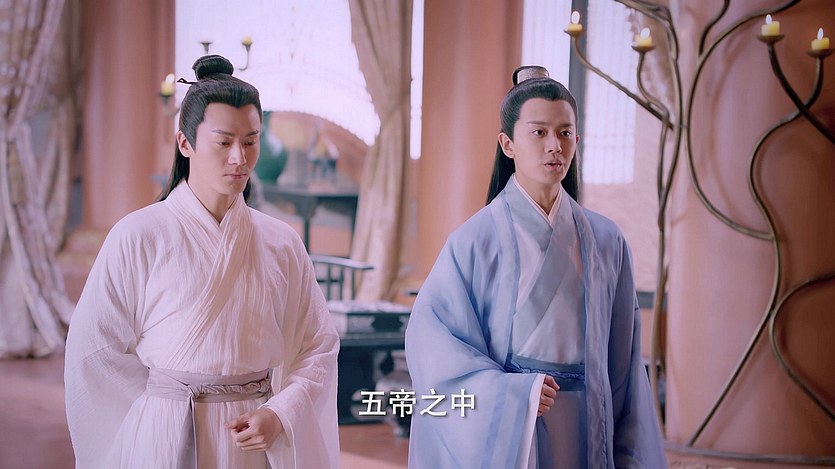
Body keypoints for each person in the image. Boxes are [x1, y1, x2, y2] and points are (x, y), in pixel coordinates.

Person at [64, 55, 340, 469]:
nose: (239, 158)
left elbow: (318, 345)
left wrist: (279, 413)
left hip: (252, 436)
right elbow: (93, 349)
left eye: (250, 141)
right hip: (165, 433)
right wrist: (159, 404)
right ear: (185, 143)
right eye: (224, 142)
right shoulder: (138, 235)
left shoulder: (281, 243)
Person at [405, 65, 666, 468]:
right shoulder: (475, 240)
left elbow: (624, 365)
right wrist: (513, 395)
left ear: (577, 140)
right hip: (516, 430)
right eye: (539, 132)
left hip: (588, 423)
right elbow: (434, 346)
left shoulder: (606, 241)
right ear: (508, 144)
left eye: (564, 133)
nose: (554, 146)